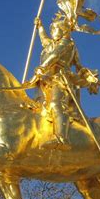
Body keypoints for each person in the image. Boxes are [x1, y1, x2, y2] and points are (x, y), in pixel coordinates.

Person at [32, 13, 83, 151]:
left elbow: (55, 55)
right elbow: (44, 40)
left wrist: (43, 66)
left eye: (55, 29)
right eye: (52, 29)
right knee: (36, 106)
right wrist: (40, 27)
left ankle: (62, 138)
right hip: (45, 80)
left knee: (56, 104)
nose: (52, 32)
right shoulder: (52, 44)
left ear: (63, 30)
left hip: (60, 79)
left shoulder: (67, 43)